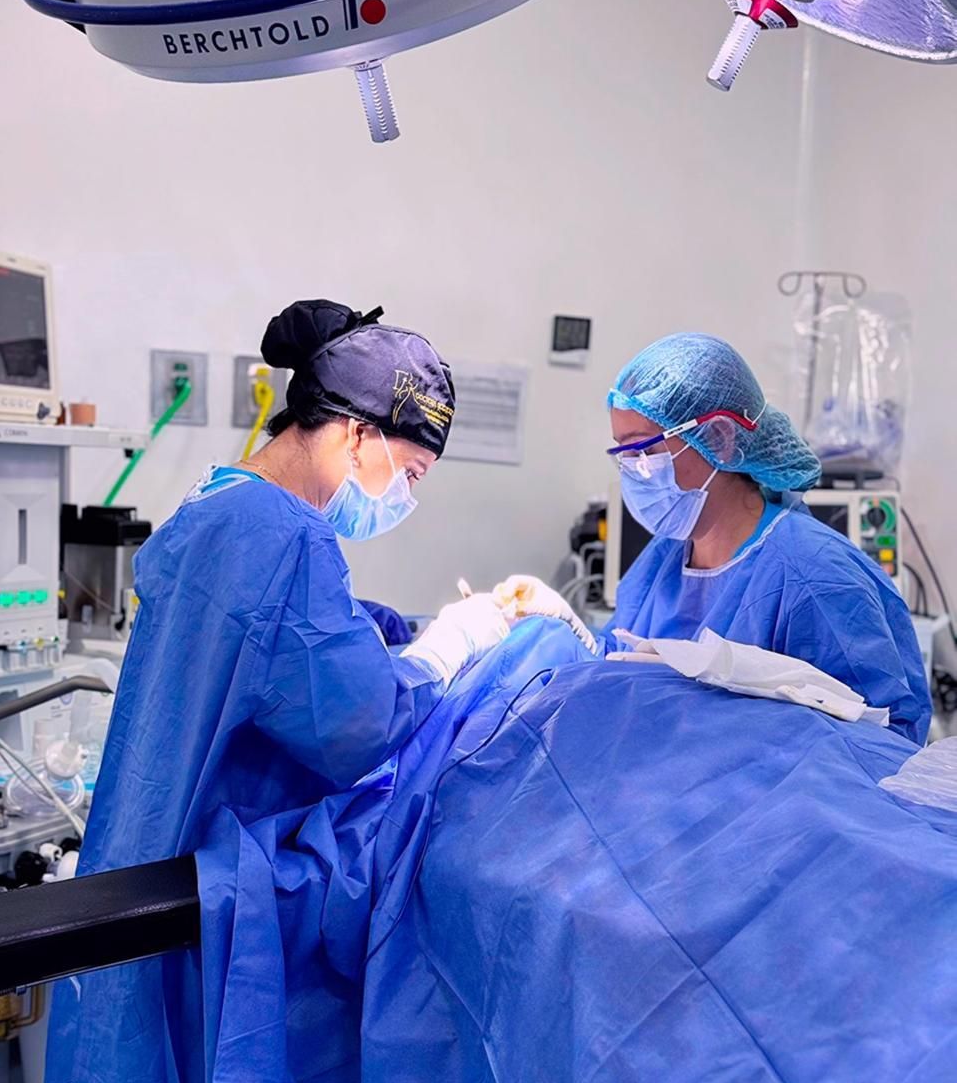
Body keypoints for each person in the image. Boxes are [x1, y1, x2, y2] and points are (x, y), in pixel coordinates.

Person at [78, 298, 510, 877]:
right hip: (205, 881)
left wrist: (360, 625)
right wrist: (446, 649)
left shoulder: (219, 500)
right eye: (410, 473)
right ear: (358, 433)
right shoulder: (288, 536)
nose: (406, 496)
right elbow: (359, 728)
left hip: (136, 852)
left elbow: (246, 637)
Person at [498, 333, 930, 744]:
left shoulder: (815, 577)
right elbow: (628, 663)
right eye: (623, 454)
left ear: (719, 438)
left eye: (643, 450)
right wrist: (576, 633)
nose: (633, 470)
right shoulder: (667, 556)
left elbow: (881, 741)